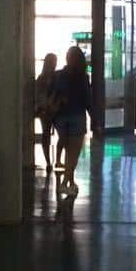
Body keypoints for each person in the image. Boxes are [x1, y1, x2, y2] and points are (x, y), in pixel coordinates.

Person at [50, 46, 98, 198]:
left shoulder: (58, 75)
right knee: (73, 155)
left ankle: (71, 183)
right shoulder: (83, 77)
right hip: (77, 117)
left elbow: (54, 95)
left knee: (68, 153)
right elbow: (88, 100)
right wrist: (95, 121)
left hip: (61, 118)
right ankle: (65, 183)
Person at [34, 52, 58, 170]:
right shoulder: (51, 78)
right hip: (50, 109)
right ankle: (50, 161)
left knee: (46, 135)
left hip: (48, 109)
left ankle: (50, 161)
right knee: (48, 134)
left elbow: (38, 95)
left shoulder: (42, 78)